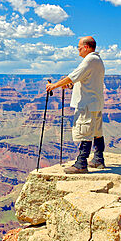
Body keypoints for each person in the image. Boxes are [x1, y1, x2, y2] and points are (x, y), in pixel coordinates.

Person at [46, 35, 105, 174]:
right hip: (95, 103)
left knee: (85, 133)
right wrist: (71, 86)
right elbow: (87, 81)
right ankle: (98, 160)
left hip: (86, 105)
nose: (77, 49)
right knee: (97, 132)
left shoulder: (89, 60)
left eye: (79, 47)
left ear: (86, 47)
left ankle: (81, 164)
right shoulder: (98, 60)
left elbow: (73, 75)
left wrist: (54, 85)